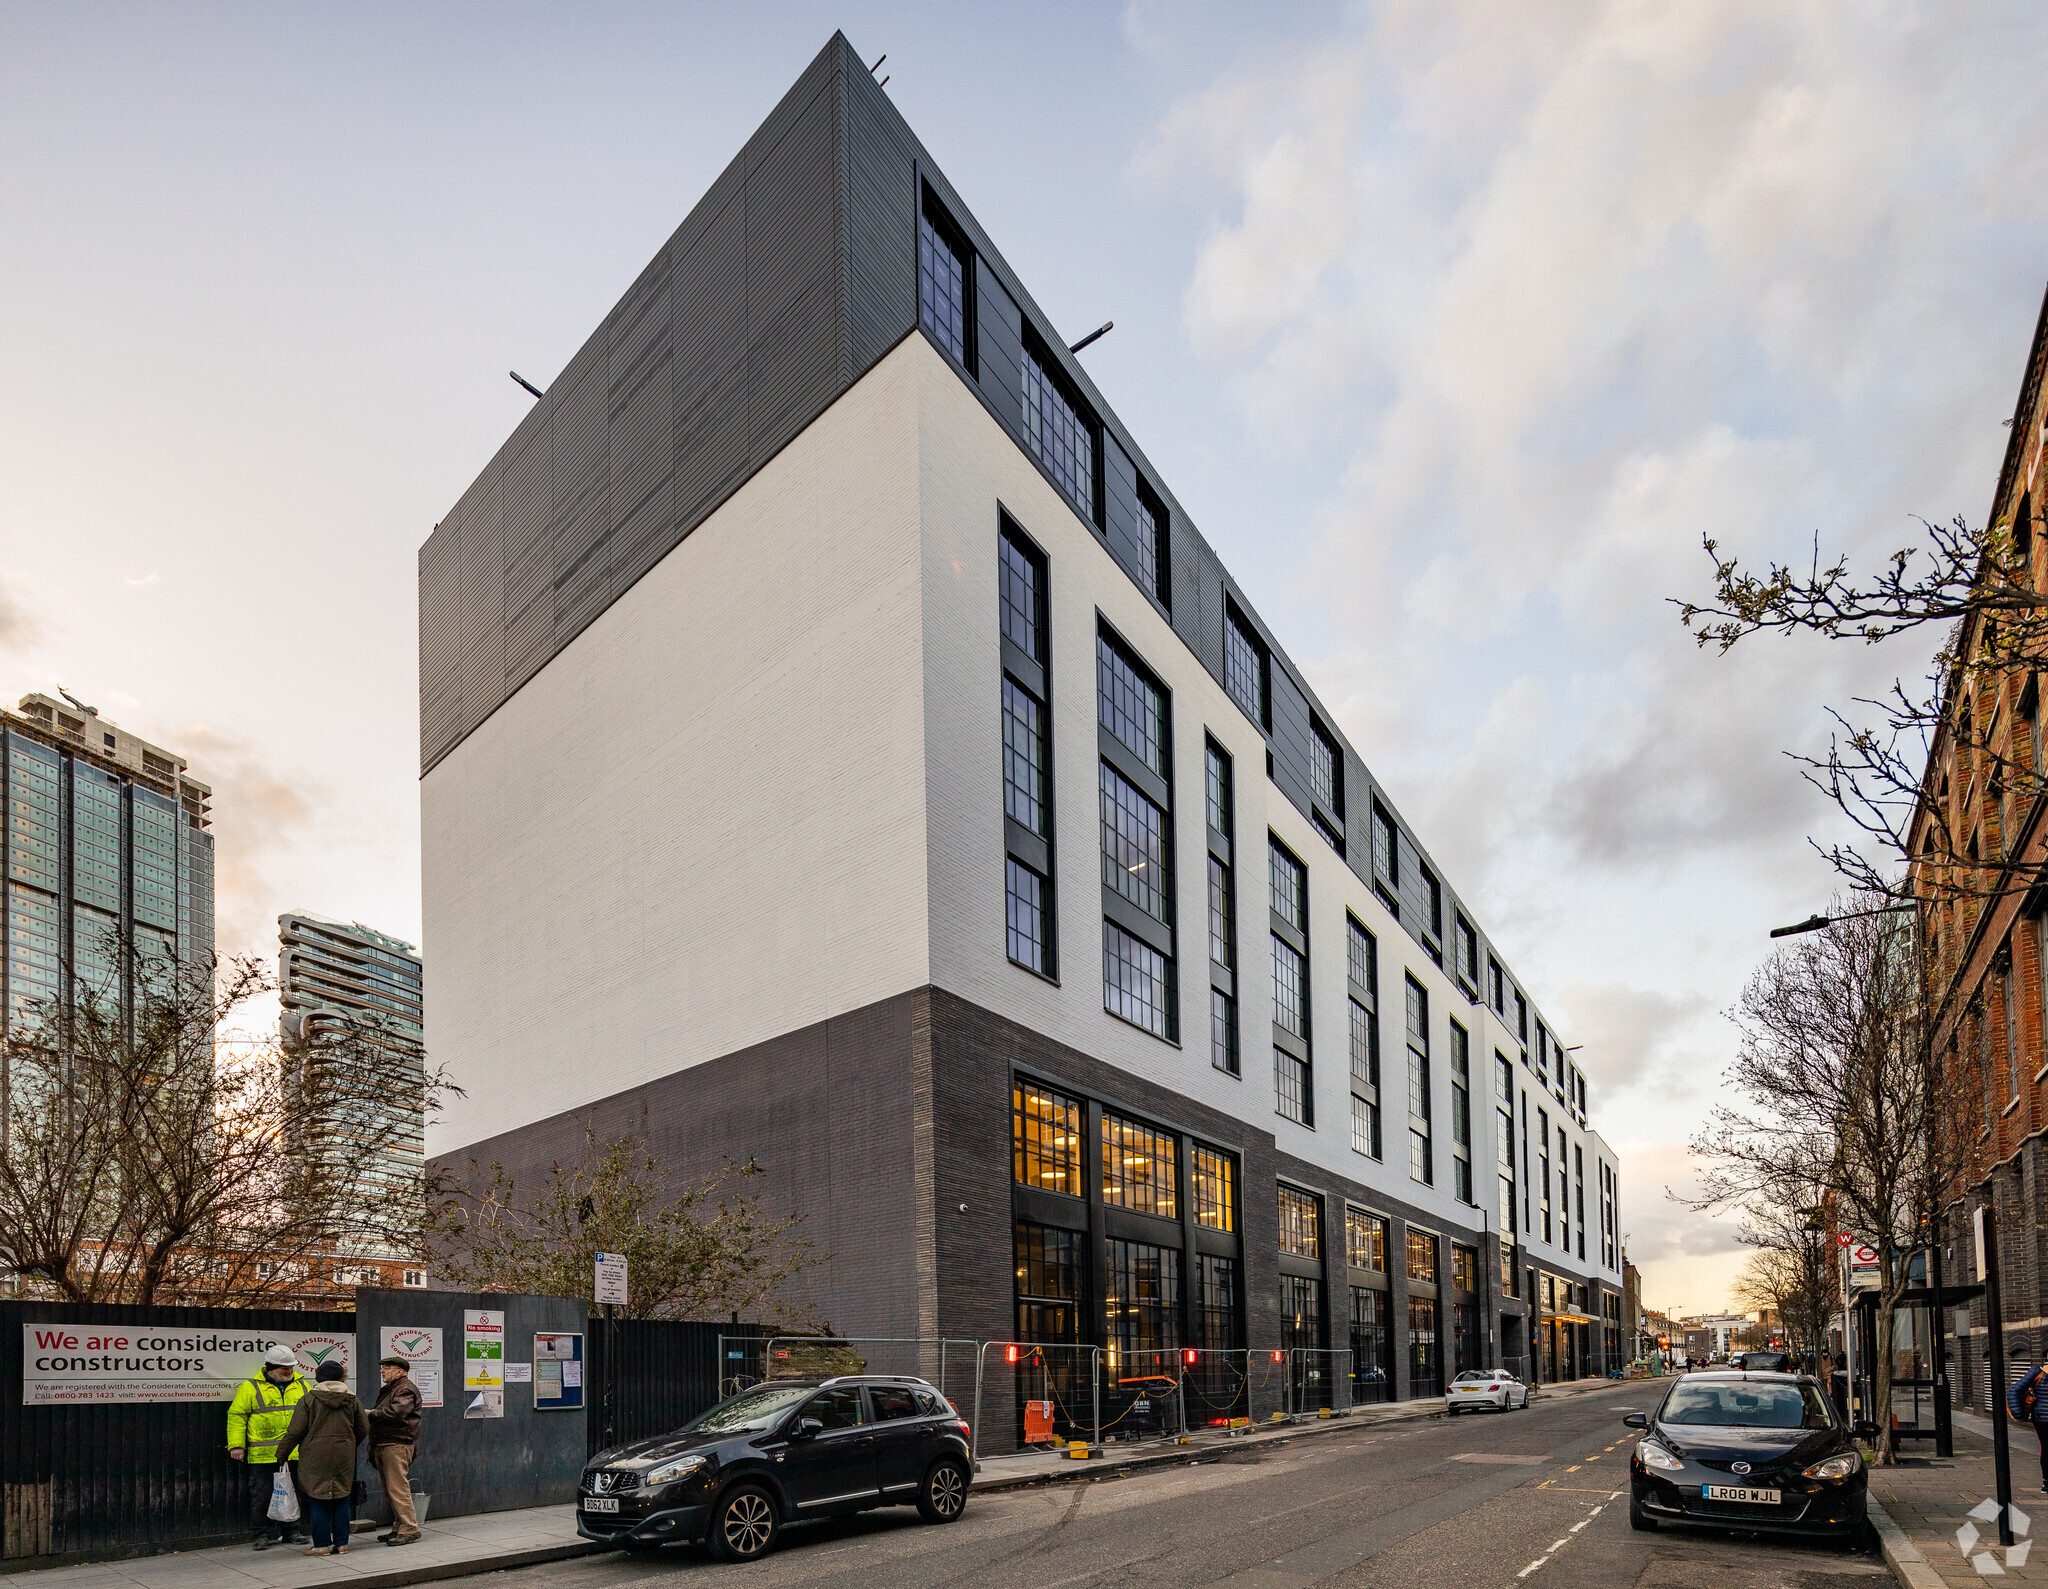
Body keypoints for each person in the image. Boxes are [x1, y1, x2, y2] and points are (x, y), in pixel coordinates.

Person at [278, 1361, 369, 1555]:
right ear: (340, 1377)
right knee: (342, 1497)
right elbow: (364, 1427)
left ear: (319, 1377)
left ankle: (321, 1545)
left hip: (314, 1456)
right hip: (344, 1455)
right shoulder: (352, 1399)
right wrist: (349, 1444)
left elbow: (295, 1431)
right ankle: (342, 1544)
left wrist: (282, 1454)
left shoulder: (309, 1399)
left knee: (317, 1498)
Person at [227, 1344, 310, 1550]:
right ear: (271, 1367)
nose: (289, 1371)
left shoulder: (302, 1386)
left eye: (291, 1367)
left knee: (292, 1494)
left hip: (295, 1452)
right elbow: (237, 1417)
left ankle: (292, 1531)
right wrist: (236, 1445)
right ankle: (261, 1534)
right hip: (264, 1454)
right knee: (262, 1495)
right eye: (285, 1368)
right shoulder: (250, 1387)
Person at [367, 1355, 424, 1546]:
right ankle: (399, 1527)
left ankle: (409, 1529)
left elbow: (396, 1413)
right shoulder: (391, 1389)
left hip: (396, 1444)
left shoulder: (405, 1389)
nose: (383, 1371)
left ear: (400, 1371)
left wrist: (370, 1414)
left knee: (398, 1488)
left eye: (388, 1367)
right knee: (391, 1489)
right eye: (383, 1367)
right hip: (386, 1443)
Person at [2007, 1361, 2048, 1491]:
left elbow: (2014, 1391)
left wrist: (2018, 1413)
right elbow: (2014, 1392)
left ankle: (2047, 1483)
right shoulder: (2038, 1372)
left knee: (2046, 1449)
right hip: (2043, 1418)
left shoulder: (2038, 1372)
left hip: (2042, 1418)